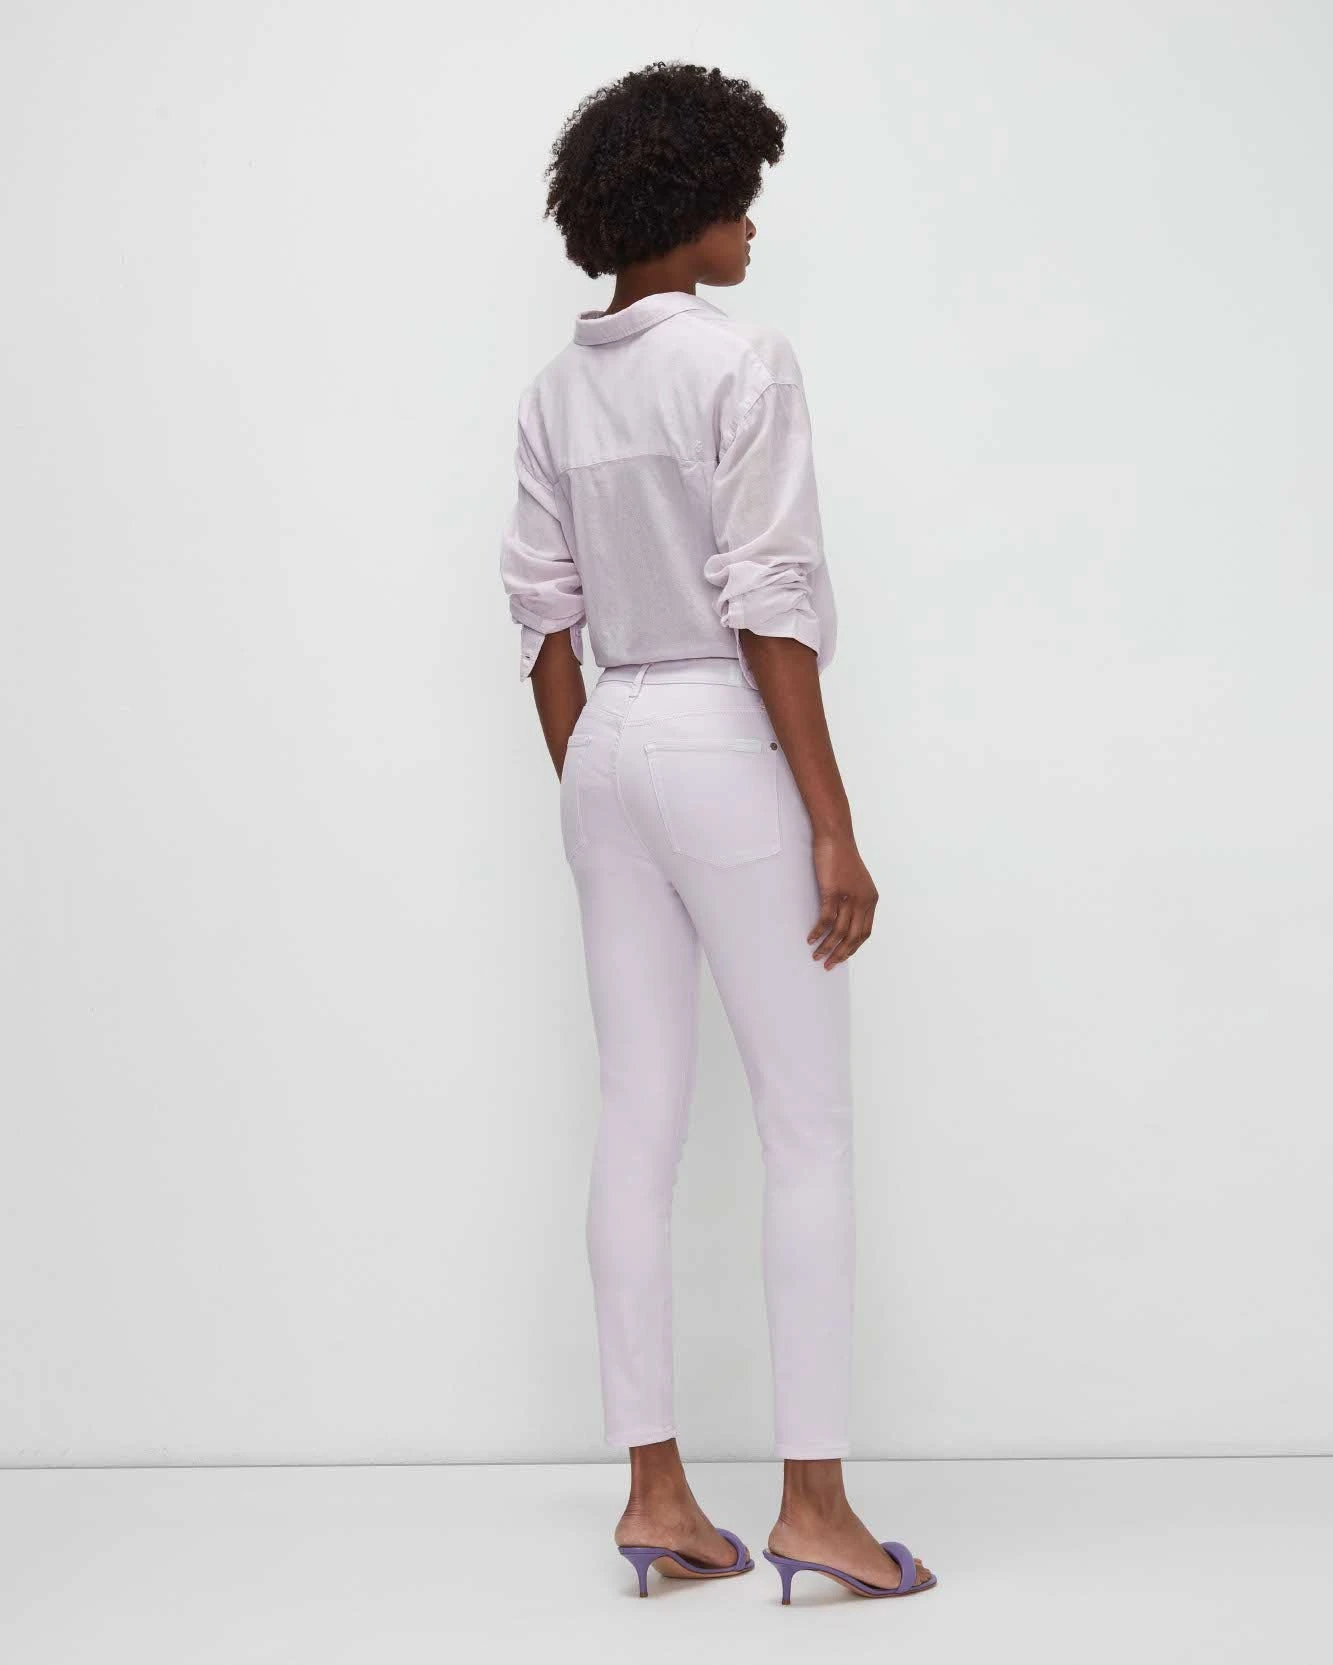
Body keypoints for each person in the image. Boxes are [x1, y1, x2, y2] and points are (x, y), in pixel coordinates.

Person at [498, 60, 935, 1605]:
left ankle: (658, 1496)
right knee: (806, 1125)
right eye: (740, 199)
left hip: (606, 744)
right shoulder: (743, 365)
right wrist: (832, 822)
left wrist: (598, 784)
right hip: (718, 736)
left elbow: (543, 625)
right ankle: (815, 1508)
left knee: (638, 1118)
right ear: (687, 205)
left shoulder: (556, 393)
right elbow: (771, 604)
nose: (753, 227)